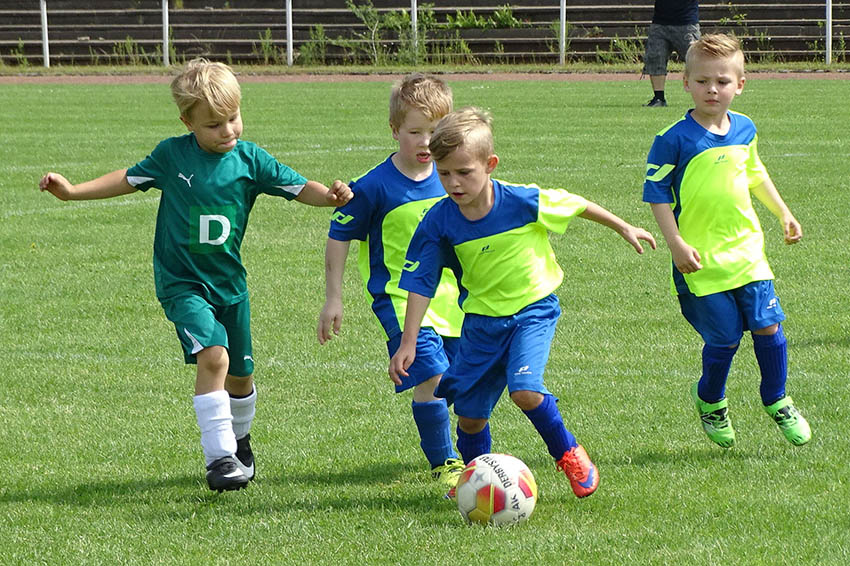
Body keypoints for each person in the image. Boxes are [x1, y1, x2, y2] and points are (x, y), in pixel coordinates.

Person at [39, 58, 353, 492]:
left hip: (230, 286)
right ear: (187, 121)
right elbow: (128, 179)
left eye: (233, 119)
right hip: (183, 284)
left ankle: (240, 443)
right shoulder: (172, 156)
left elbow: (299, 188)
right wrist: (73, 192)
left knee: (241, 376)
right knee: (214, 356)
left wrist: (332, 197)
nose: (227, 131)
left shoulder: (250, 160)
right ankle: (220, 459)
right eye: (213, 125)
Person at [389, 107, 657, 498]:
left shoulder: (522, 201)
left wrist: (623, 226)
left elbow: (577, 204)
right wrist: (408, 341)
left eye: (464, 172)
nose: (454, 183)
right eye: (445, 174)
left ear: (490, 164)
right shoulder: (439, 221)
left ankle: (569, 453)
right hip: (481, 323)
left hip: (533, 312)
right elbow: (421, 282)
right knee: (469, 418)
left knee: (525, 389)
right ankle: (477, 481)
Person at [643, 33, 811, 448]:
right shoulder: (673, 138)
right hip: (700, 260)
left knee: (769, 328)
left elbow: (754, 172)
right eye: (702, 81)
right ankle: (711, 401)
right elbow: (657, 195)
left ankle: (776, 398)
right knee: (725, 339)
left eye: (721, 81)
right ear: (685, 83)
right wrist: (677, 245)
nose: (712, 89)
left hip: (747, 251)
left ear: (740, 84)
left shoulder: (746, 128)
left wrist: (784, 213)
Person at [317, 73, 466, 490]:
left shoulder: (453, 176)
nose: (424, 142)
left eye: (435, 132)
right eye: (415, 132)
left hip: (453, 297)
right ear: (394, 130)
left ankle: (471, 453)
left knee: (462, 378)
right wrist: (334, 298)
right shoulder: (373, 187)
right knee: (429, 375)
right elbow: (339, 236)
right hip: (399, 299)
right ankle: (445, 463)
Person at [642, 0, 700, 107]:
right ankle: (659, 98)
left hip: (686, 22)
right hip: (659, 22)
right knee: (655, 58)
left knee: (698, 60)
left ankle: (704, 97)